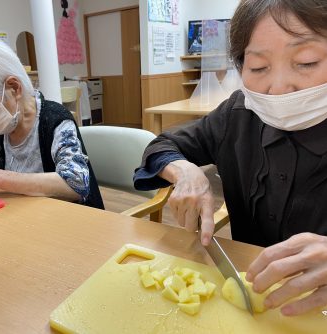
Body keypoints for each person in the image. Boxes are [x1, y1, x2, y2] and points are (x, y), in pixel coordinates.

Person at [134, 0, 327, 316]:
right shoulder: (237, 116)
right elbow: (163, 145)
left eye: (306, 62)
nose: (278, 88)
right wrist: (184, 171)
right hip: (248, 303)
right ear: (240, 68)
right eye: (259, 67)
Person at [0, 33, 104, 209]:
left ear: (14, 88)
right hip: (22, 219)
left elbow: (75, 185)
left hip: (69, 221)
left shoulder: (55, 121)